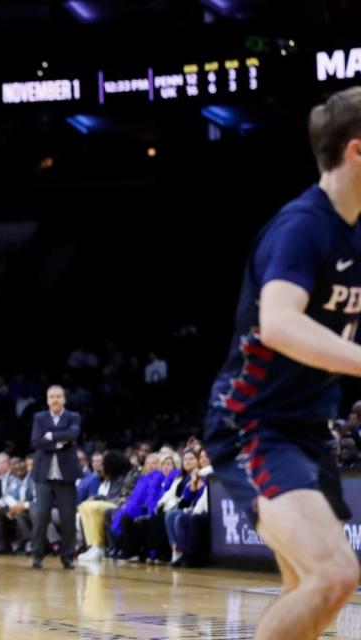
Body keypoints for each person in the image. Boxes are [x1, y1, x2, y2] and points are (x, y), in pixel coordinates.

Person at [204, 87, 361, 640]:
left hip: (305, 427)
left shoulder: (356, 232)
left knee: (309, 593)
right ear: (356, 151)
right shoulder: (304, 226)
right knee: (334, 575)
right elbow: (279, 322)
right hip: (253, 422)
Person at [30, 386, 81, 570]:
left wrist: (51, 436)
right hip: (43, 475)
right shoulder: (39, 417)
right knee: (41, 515)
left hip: (66, 476)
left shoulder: (73, 417)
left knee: (68, 518)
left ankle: (67, 556)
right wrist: (61, 442)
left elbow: (73, 434)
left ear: (64, 399)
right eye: (51, 397)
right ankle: (37, 555)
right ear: (47, 399)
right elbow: (36, 441)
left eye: (58, 396)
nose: (55, 400)